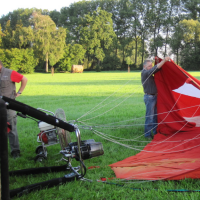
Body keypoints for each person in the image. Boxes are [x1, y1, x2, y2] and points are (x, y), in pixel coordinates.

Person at [0, 60, 28, 158]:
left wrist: (19, 92)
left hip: (9, 107)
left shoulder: (9, 73)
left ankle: (15, 151)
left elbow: (24, 79)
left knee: (11, 129)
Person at [141, 57, 170, 139]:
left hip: (154, 96)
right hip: (149, 97)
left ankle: (155, 132)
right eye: (149, 66)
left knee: (154, 116)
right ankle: (147, 135)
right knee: (149, 117)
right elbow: (154, 69)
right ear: (144, 66)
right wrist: (164, 60)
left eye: (151, 65)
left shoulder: (148, 72)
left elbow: (157, 69)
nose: (151, 67)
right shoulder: (144, 73)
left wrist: (159, 62)